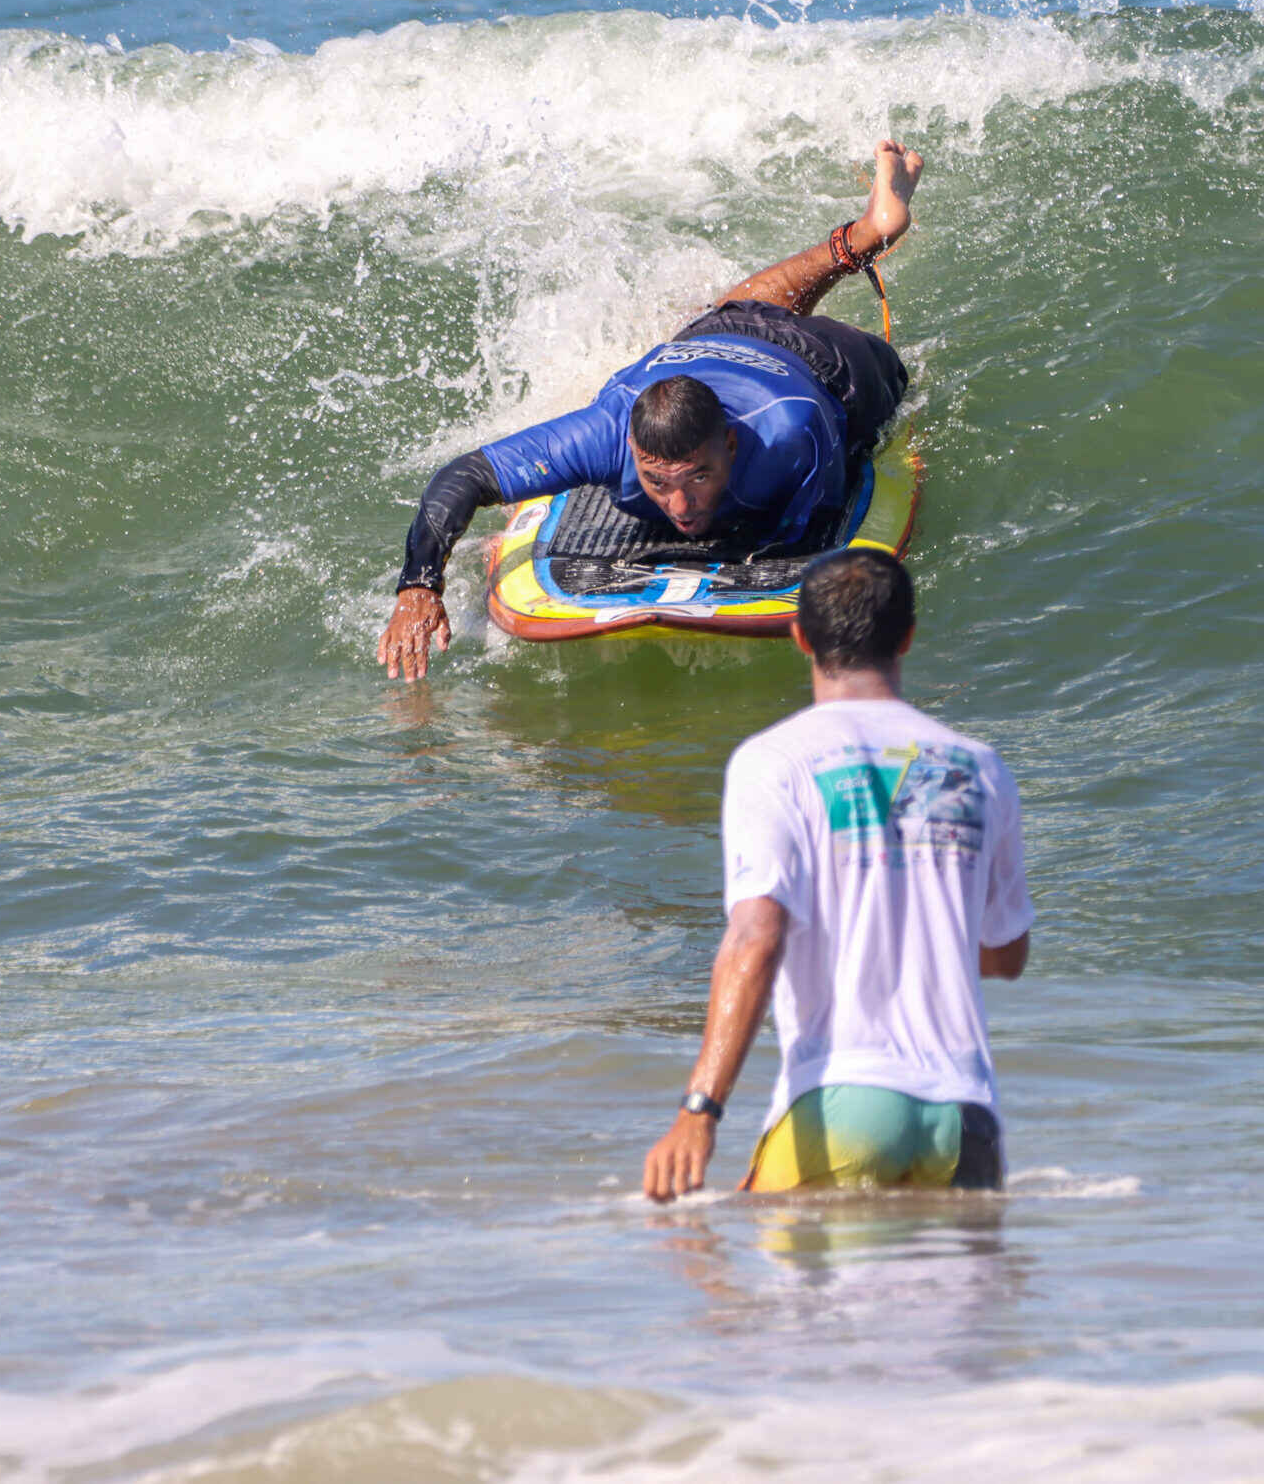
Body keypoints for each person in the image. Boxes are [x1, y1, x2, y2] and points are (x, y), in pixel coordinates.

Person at [377, 139, 926, 681]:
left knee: (880, 388)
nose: (680, 505)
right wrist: (419, 586)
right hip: (711, 336)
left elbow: (804, 537)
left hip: (832, 367)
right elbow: (463, 475)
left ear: (730, 445)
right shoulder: (606, 430)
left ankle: (873, 232)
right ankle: (868, 232)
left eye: (700, 476)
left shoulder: (789, 436)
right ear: (632, 449)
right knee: (734, 307)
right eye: (657, 481)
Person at [641, 550, 1034, 1201]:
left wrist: (699, 1109)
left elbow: (755, 938)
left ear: (799, 637)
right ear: (907, 636)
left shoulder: (774, 760)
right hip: (966, 1115)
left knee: (716, 1274)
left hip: (843, 1105)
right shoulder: (979, 767)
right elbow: (1005, 953)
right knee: (947, 1304)